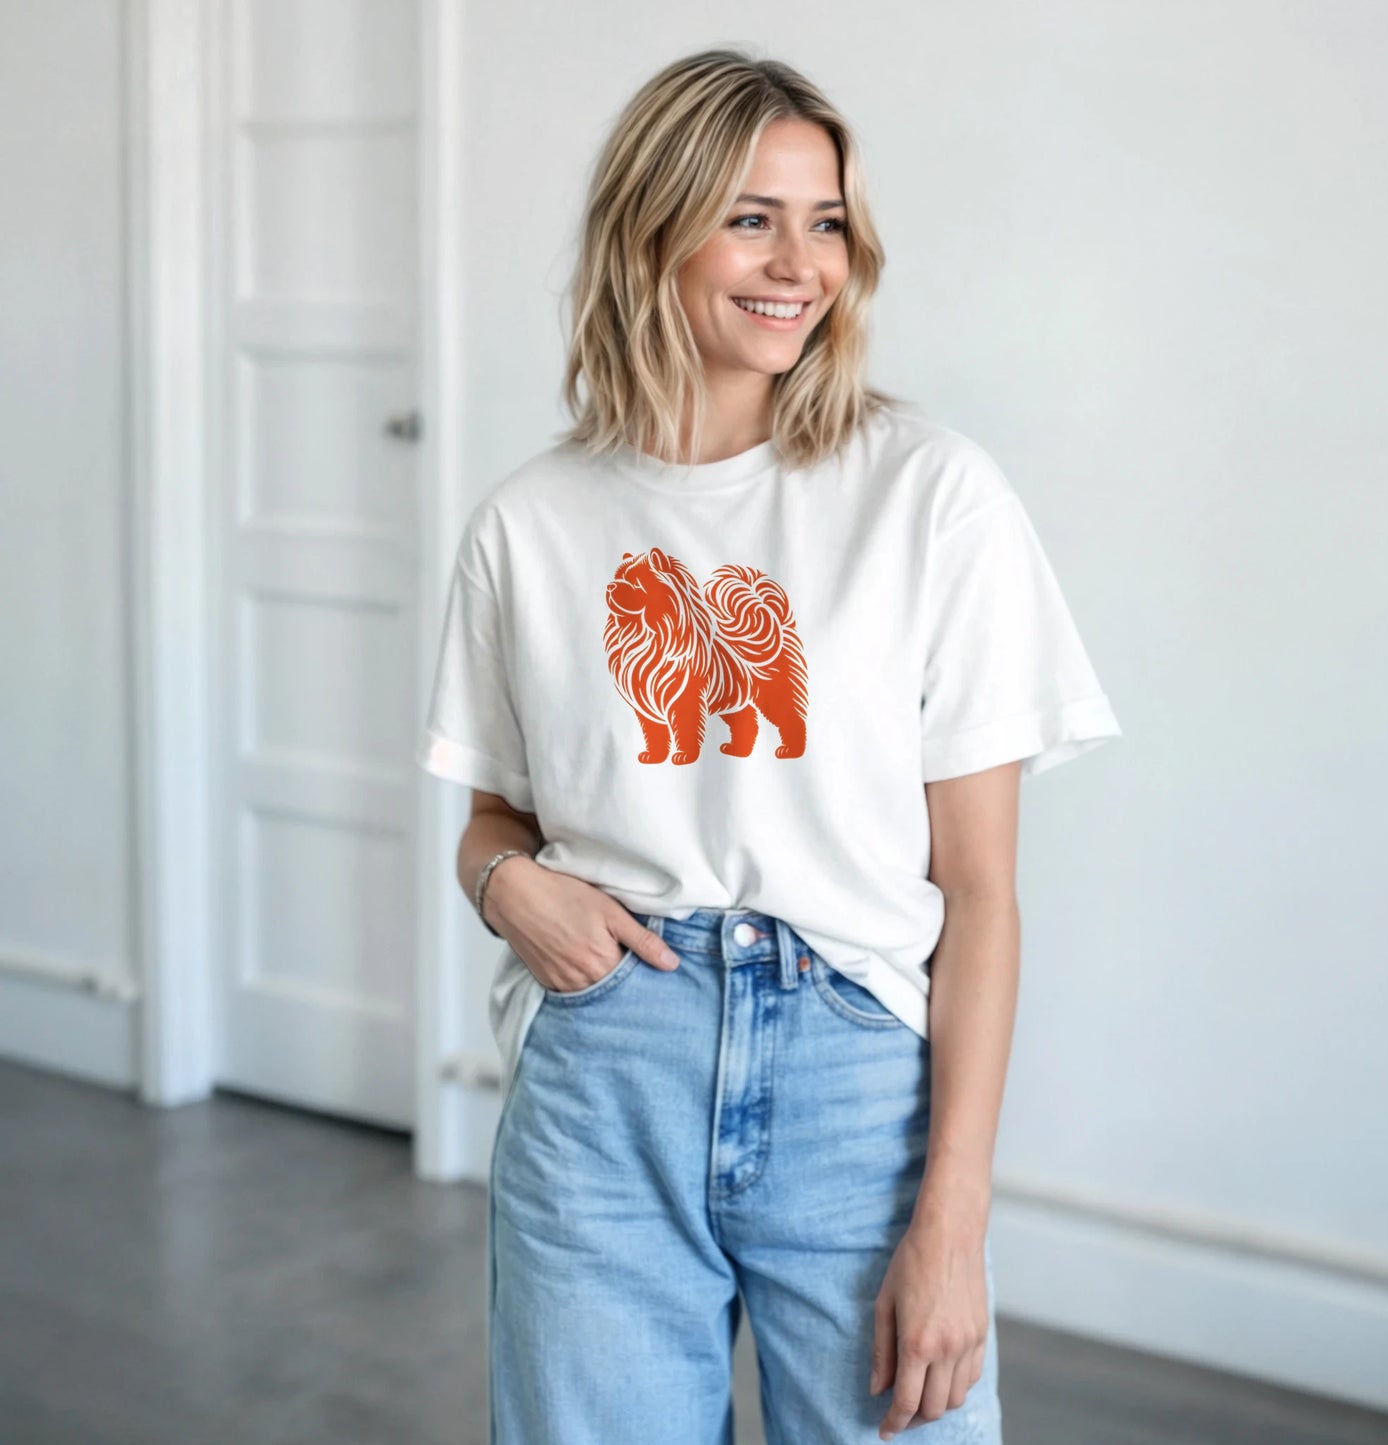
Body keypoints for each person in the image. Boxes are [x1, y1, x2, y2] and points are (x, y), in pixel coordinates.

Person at [416, 47, 1122, 1445]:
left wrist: (954, 1219)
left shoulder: (931, 497)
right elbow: (497, 821)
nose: (800, 264)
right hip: (606, 1071)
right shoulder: (529, 524)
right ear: (652, 229)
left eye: (827, 222)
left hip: (857, 1082)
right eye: (752, 218)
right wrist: (502, 885)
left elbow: (980, 893)